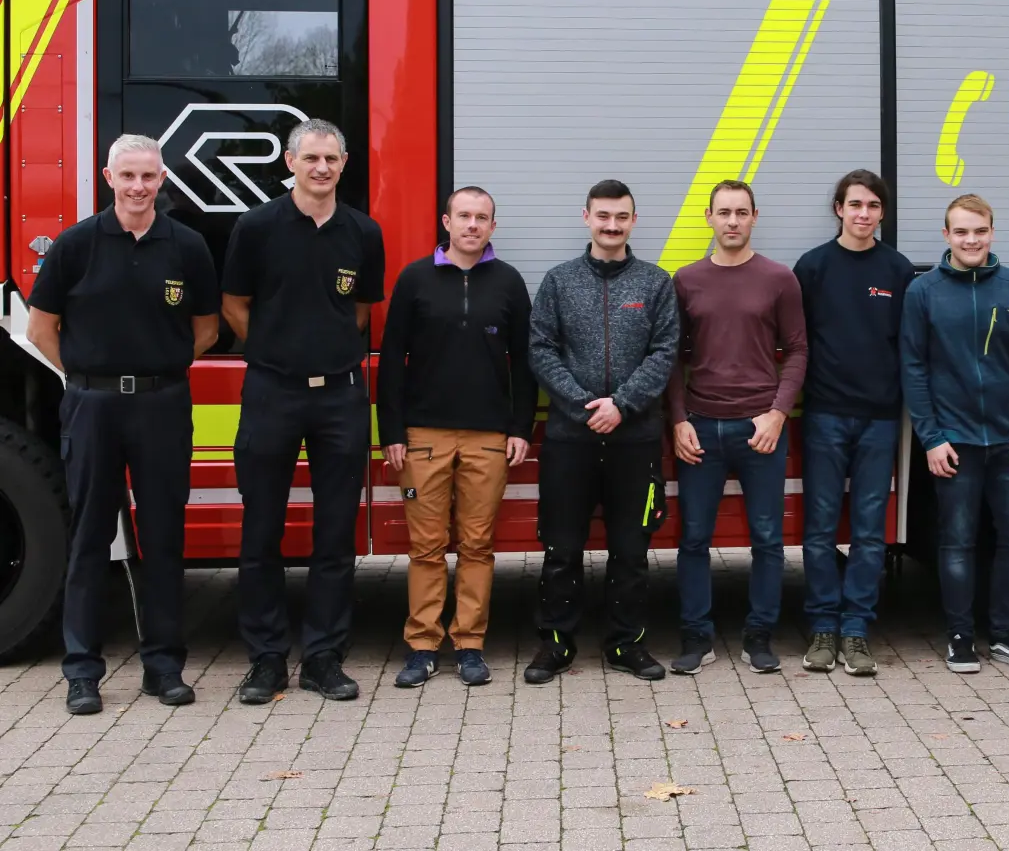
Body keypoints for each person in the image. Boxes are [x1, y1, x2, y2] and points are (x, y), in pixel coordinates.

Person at [27, 134, 219, 714]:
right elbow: (41, 330)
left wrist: (159, 372)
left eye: (150, 176)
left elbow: (206, 328)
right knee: (89, 539)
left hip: (162, 406)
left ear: (163, 181)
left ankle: (164, 668)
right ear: (108, 179)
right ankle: (82, 672)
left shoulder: (186, 247)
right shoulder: (75, 245)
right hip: (93, 408)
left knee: (163, 538)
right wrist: (88, 378)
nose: (139, 187)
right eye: (128, 176)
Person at [221, 118, 386, 703]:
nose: (322, 168)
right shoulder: (257, 227)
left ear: (344, 165)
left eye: (332, 159)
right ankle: (266, 660)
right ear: (290, 161)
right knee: (260, 529)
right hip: (272, 393)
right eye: (311, 157)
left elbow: (361, 311)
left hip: (340, 396)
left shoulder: (364, 233)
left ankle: (323, 657)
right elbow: (234, 304)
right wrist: (274, 352)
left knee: (335, 533)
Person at [377, 186, 534, 688]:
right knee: (425, 547)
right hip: (422, 437)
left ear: (493, 226)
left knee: (476, 545)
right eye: (463, 216)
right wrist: (392, 432)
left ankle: (470, 645)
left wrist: (520, 428)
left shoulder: (508, 283)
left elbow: (526, 365)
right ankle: (422, 645)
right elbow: (392, 360)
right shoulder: (415, 278)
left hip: (488, 438)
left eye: (482, 217)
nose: (472, 224)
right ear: (446, 221)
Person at [525, 180, 679, 684]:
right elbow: (541, 349)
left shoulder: (656, 284)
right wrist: (582, 405)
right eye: (603, 216)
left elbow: (664, 352)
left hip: (635, 442)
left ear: (634, 221)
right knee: (561, 547)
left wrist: (624, 405)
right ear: (586, 217)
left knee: (631, 550)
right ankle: (555, 644)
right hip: (570, 440)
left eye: (621, 217)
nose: (612, 225)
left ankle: (625, 644)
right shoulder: (558, 281)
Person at [667, 179, 807, 675]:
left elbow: (797, 351)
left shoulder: (778, 279)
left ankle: (760, 634)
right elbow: (672, 359)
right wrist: (679, 420)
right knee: (694, 539)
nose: (732, 221)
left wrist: (776, 413)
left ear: (754, 216)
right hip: (701, 428)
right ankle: (696, 636)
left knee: (768, 539)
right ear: (708, 217)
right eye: (723, 212)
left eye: (741, 212)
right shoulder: (685, 280)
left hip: (760, 429)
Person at [901, 193, 1009, 674]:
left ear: (992, 232)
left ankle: (1004, 635)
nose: (971, 240)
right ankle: (960, 637)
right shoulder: (923, 292)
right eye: (961, 231)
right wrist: (931, 437)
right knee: (957, 541)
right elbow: (914, 370)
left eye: (979, 231)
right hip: (954, 442)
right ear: (946, 236)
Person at [792, 170, 913, 677]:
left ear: (882, 213)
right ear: (838, 208)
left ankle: (857, 631)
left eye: (872, 206)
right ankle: (823, 628)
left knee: (869, 533)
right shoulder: (812, 267)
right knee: (819, 531)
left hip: (880, 420)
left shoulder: (899, 270)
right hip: (823, 415)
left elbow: (909, 349)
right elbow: (796, 344)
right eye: (854, 204)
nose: (863, 213)